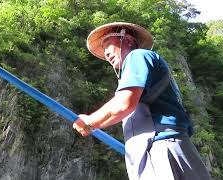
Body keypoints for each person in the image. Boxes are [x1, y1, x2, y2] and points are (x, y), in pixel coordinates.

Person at [72, 22, 211, 180]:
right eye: (104, 50)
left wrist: (90, 121)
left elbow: (124, 104)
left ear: (128, 39)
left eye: (108, 45)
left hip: (161, 151)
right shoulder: (143, 66)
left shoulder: (137, 56)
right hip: (174, 149)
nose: (106, 53)